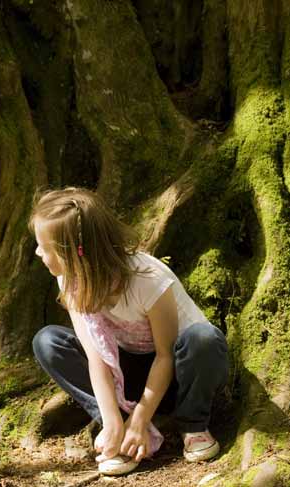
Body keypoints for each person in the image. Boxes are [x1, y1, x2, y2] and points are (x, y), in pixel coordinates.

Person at [30, 187, 229, 476]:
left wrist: (141, 417)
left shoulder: (146, 279)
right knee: (48, 342)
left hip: (178, 372)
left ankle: (193, 424)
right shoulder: (70, 278)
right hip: (126, 374)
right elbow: (96, 356)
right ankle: (121, 430)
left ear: (73, 253)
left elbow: (165, 356)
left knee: (204, 339)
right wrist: (113, 420)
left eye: (43, 246)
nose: (38, 252)